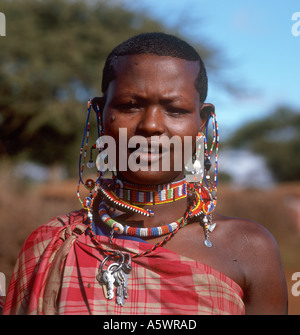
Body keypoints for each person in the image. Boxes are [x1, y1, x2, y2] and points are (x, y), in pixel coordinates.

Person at [3, 32, 288, 315]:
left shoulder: (250, 250)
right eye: (130, 106)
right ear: (101, 113)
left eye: (174, 110)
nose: (151, 126)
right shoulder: (50, 245)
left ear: (201, 124)